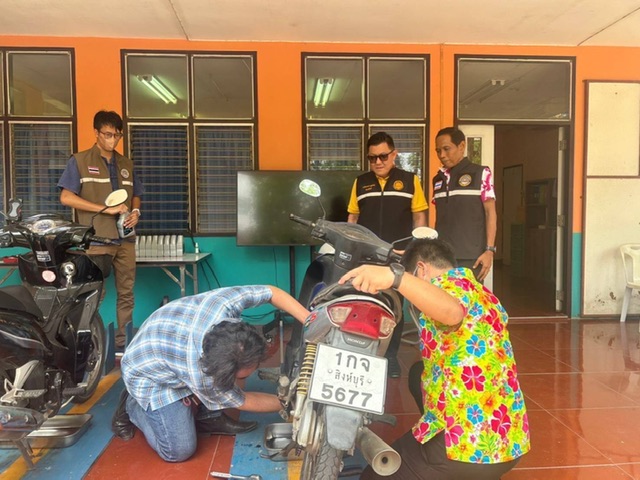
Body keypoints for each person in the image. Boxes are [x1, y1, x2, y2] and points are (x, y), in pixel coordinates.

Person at [339, 238, 530, 480]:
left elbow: (452, 312)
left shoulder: (448, 289)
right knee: (418, 372)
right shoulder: (482, 293)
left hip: (468, 448)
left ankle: (449, 466)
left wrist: (396, 278)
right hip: (509, 441)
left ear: (421, 269)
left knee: (373, 477)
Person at [111, 285, 310, 463]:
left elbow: (271, 292)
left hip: (165, 342)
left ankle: (208, 412)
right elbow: (241, 400)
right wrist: (291, 403)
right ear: (218, 371)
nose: (246, 379)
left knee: (210, 399)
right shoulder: (198, 372)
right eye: (240, 377)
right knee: (178, 451)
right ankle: (132, 404)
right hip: (147, 375)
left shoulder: (223, 304)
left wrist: (311, 320)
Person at [58, 110, 143, 350]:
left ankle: (123, 343)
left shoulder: (126, 163)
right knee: (94, 294)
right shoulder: (80, 161)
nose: (112, 140)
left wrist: (136, 213)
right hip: (96, 240)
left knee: (126, 294)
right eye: (107, 134)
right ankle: (89, 341)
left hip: (125, 239)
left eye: (117, 135)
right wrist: (103, 209)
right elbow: (66, 197)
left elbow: (136, 195)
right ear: (96, 133)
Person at [347, 131, 428, 377]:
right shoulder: (361, 182)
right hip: (368, 255)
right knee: (364, 302)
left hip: (398, 255)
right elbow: (352, 217)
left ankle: (390, 356)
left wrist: (415, 248)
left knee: (395, 306)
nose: (378, 162)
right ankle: (365, 353)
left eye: (383, 156)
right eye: (372, 158)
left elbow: (419, 216)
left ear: (394, 155)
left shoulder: (410, 180)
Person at [432, 127, 497, 282]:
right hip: (442, 257)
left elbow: (491, 214)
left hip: (471, 257)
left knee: (468, 303)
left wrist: (489, 250)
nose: (442, 155)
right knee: (444, 303)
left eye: (447, 149)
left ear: (461, 146)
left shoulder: (481, 173)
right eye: (438, 150)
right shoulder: (438, 179)